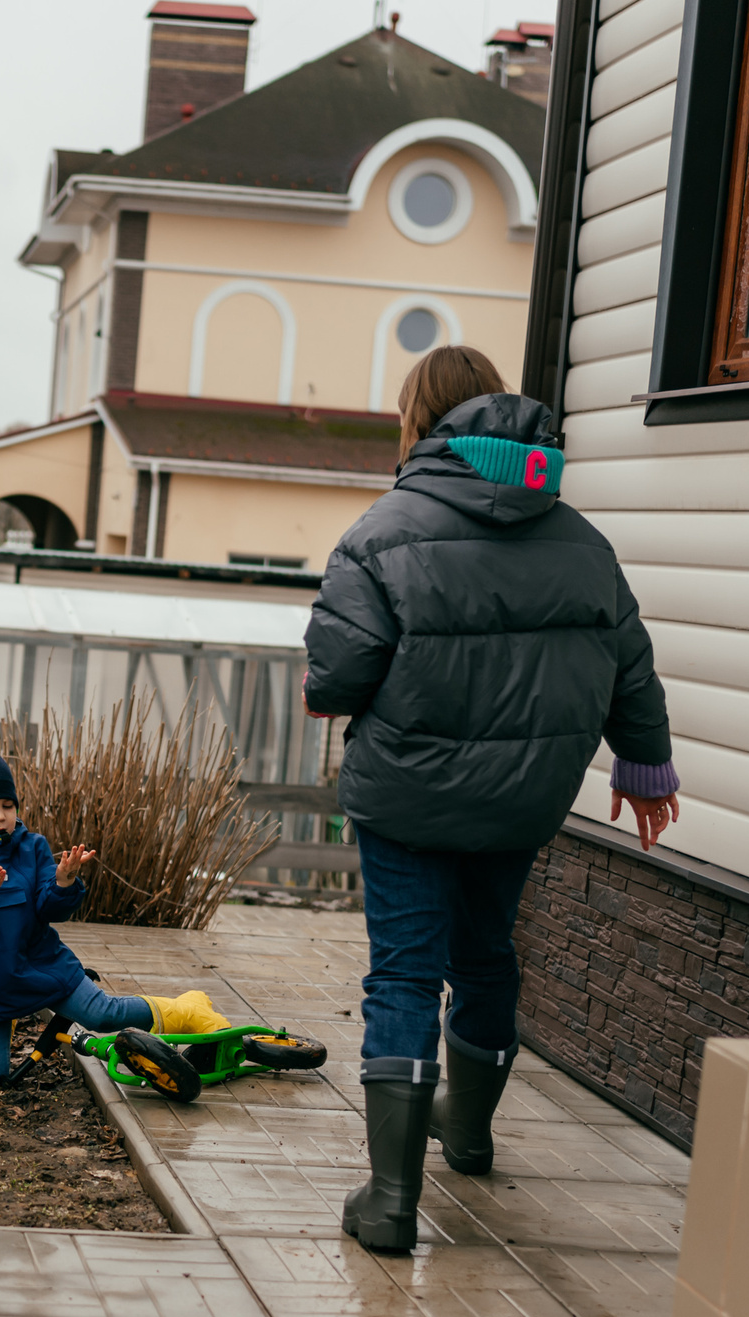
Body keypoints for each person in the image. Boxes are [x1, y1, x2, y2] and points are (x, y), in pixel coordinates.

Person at [305, 345, 679, 1254]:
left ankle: (391, 1200)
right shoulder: (583, 541)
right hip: (523, 798)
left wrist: (335, 683)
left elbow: (339, 677)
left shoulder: (381, 531)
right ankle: (465, 1132)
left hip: (408, 796)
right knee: (485, 956)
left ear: (418, 423)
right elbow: (630, 663)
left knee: (402, 972)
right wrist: (646, 771)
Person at [0, 734, 233, 1087]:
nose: (0, 817)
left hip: (45, 967)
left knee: (105, 1014)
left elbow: (50, 908)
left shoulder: (30, 847)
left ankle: (188, 1009)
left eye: (7, 804)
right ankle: (0, 1044)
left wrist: (63, 881)